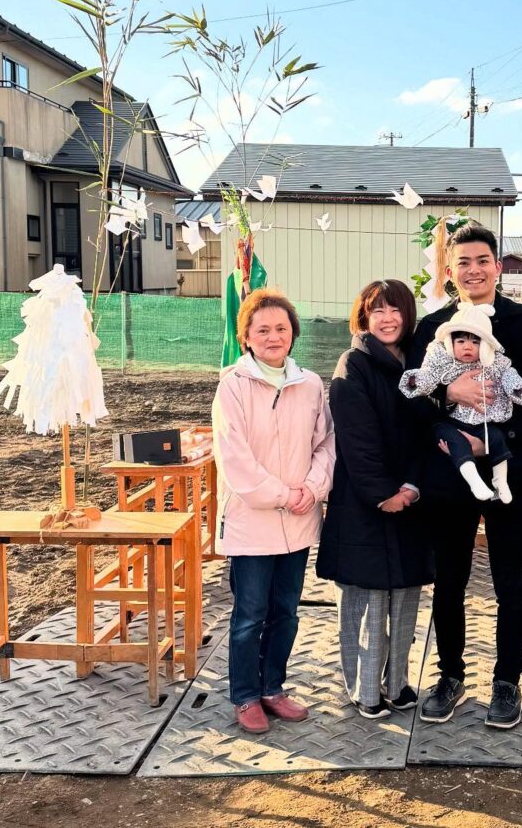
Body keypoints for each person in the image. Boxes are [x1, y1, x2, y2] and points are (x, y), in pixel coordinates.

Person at [408, 222, 522, 730]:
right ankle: (450, 674)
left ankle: (508, 679)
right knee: (450, 579)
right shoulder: (432, 329)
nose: (473, 270)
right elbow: (416, 397)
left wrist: (492, 441)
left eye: (482, 261)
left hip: (507, 469)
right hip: (450, 474)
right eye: (462, 262)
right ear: (449, 271)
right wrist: (450, 397)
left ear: (497, 266)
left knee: (509, 577)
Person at [212, 288, 336, 735]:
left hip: (299, 519)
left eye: (281, 328)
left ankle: (273, 688)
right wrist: (285, 494)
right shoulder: (234, 385)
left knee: (286, 610)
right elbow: (235, 459)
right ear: (246, 336)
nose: (272, 336)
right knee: (249, 614)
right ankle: (245, 695)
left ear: (292, 334)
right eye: (262, 329)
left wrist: (313, 487)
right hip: (254, 522)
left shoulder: (310, 384)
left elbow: (325, 444)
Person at [316, 279, 434, 719]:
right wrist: (383, 492)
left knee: (404, 598)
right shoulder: (354, 364)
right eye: (377, 310)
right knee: (364, 602)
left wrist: (412, 486)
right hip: (366, 504)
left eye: (396, 309)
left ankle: (398, 683)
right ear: (363, 316)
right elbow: (356, 438)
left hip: (409, 499)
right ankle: (365, 691)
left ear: (407, 317)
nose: (387, 318)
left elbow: (428, 431)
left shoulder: (419, 368)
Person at [399, 302, 522, 504]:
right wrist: (419, 382)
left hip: (483, 423)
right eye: (460, 341)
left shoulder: (496, 363)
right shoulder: (442, 361)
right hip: (452, 422)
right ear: (451, 343)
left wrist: (516, 388)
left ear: (486, 346)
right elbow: (427, 376)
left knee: (496, 438)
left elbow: (509, 376)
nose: (467, 347)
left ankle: (500, 481)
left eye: (475, 342)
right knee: (453, 439)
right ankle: (475, 481)